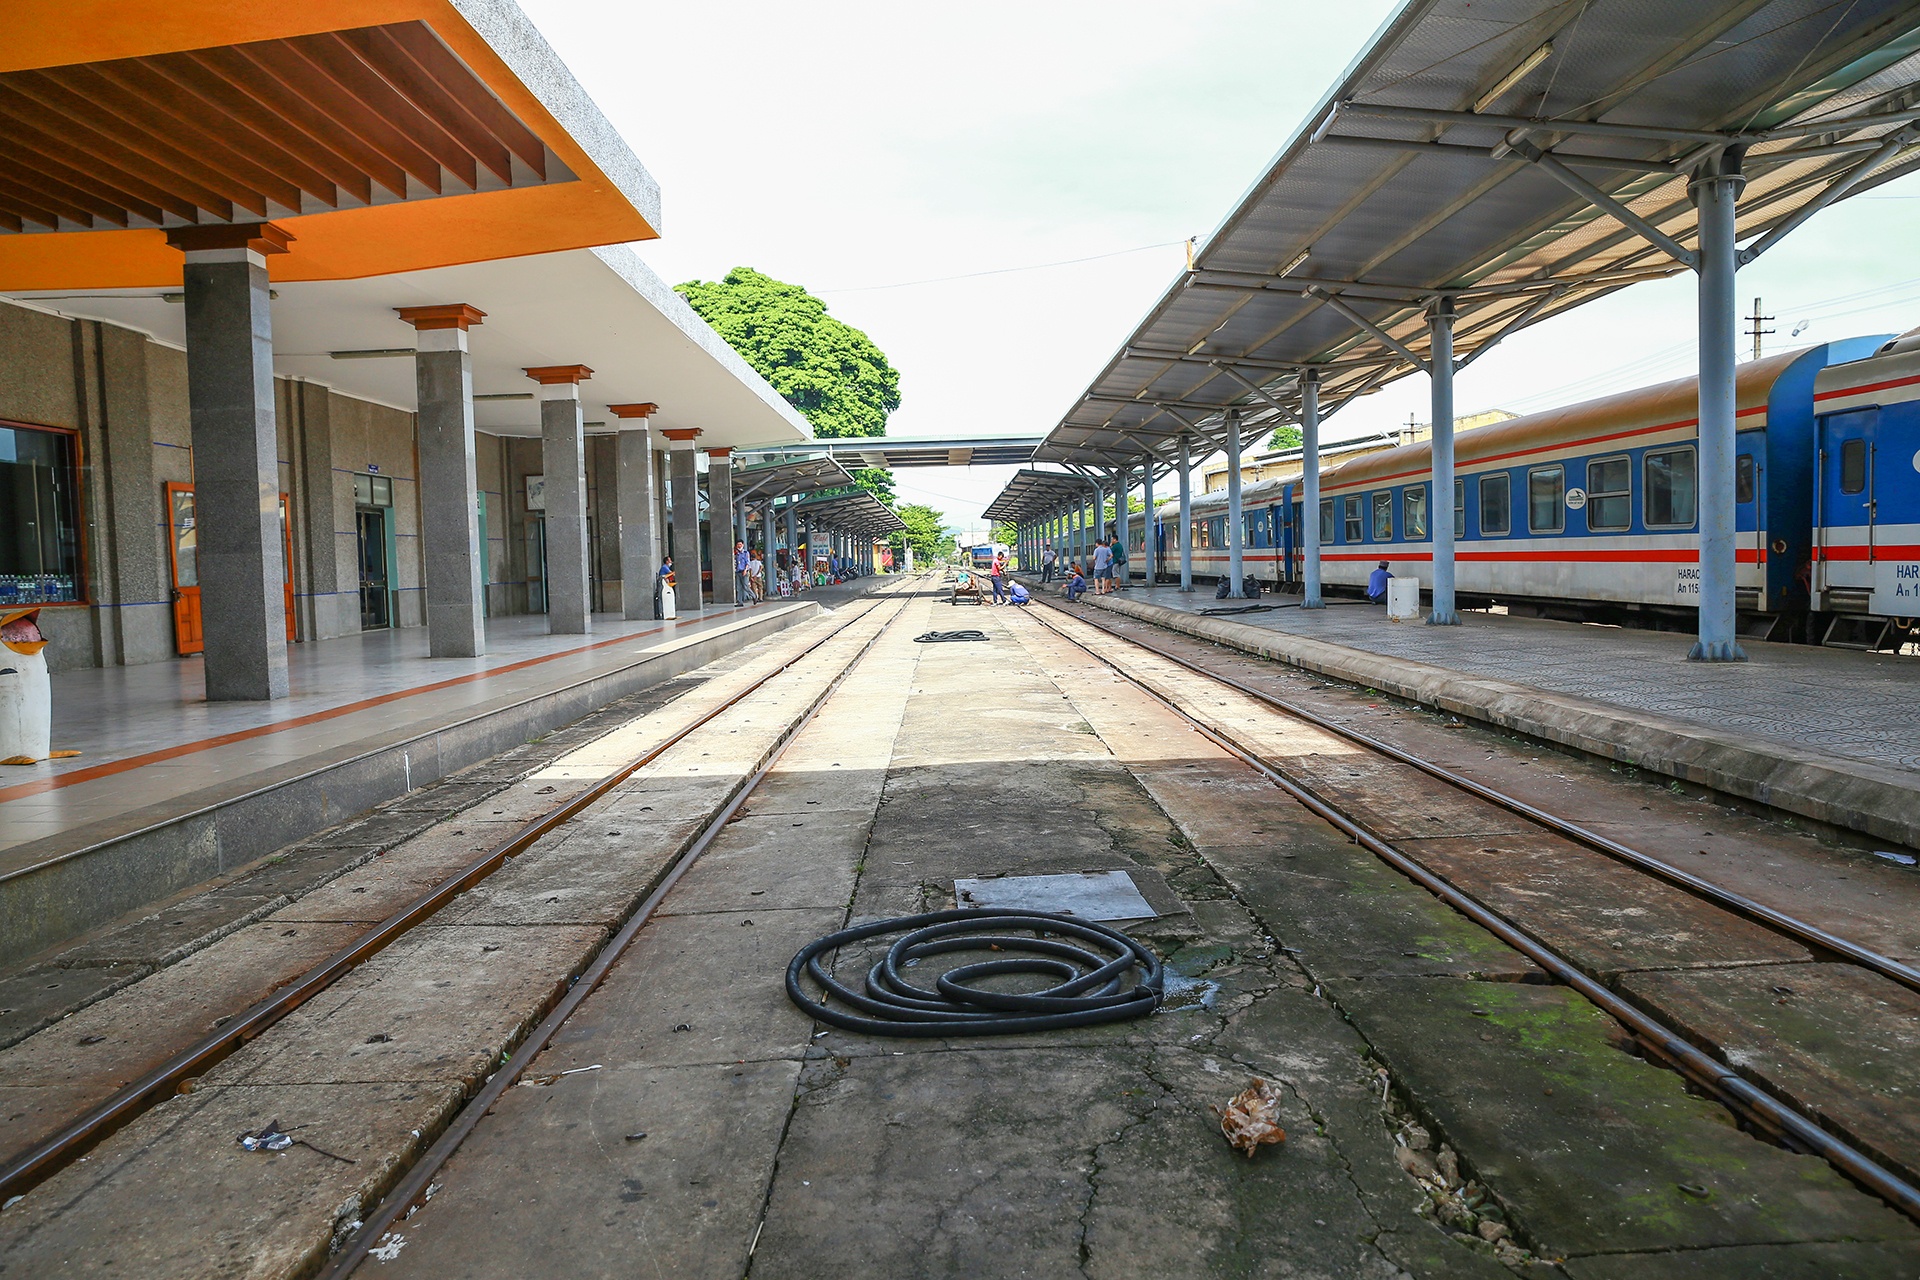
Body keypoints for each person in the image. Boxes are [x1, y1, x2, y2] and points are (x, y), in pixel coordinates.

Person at [655, 554, 675, 619]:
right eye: (670, 560)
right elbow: (671, 573)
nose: (671, 562)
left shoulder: (666, 567)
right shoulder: (664, 567)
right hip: (662, 584)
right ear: (666, 561)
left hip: (665, 584)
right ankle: (661, 613)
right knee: (661, 597)